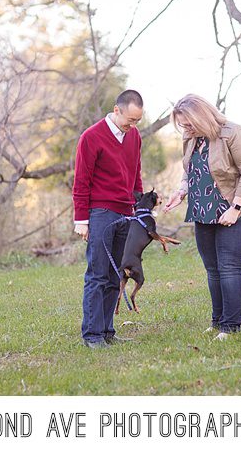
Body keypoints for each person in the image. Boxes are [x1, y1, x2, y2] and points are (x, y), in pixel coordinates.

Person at [162, 94, 241, 341]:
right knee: (213, 269)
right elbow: (189, 170)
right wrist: (181, 191)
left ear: (202, 116)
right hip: (204, 210)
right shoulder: (190, 138)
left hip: (239, 208)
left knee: (229, 267)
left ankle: (231, 327)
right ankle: (217, 321)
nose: (185, 129)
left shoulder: (232, 132)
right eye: (182, 126)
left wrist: (236, 208)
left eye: (188, 124)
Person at [72, 90, 145, 349]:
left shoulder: (134, 136)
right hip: (101, 212)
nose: (133, 126)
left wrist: (139, 206)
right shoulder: (91, 137)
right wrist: (81, 219)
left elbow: (135, 173)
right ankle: (92, 335)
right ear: (117, 110)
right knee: (98, 273)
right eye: (130, 120)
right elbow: (82, 181)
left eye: (138, 121)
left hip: (127, 212)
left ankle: (107, 332)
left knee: (117, 274)